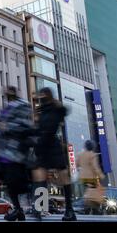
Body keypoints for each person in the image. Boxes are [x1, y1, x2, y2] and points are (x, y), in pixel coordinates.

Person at [0, 86, 33, 222]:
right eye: (6, 93)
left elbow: (27, 126)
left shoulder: (23, 107)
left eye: (10, 92)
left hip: (17, 151)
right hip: (4, 152)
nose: (7, 95)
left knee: (19, 183)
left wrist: (8, 128)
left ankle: (28, 208)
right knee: (9, 183)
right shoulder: (4, 110)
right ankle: (18, 210)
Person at [32, 87, 77, 221]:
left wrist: (58, 105)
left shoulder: (55, 109)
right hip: (43, 146)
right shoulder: (42, 110)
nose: (41, 97)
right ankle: (40, 208)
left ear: (48, 95)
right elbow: (39, 128)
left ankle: (69, 209)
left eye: (43, 94)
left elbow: (63, 113)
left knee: (63, 176)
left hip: (53, 146)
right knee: (39, 176)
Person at [76, 140, 105, 215]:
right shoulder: (92, 155)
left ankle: (86, 209)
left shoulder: (80, 154)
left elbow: (76, 165)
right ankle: (95, 210)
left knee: (86, 194)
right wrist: (101, 175)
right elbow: (95, 167)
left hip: (82, 178)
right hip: (91, 178)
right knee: (94, 195)